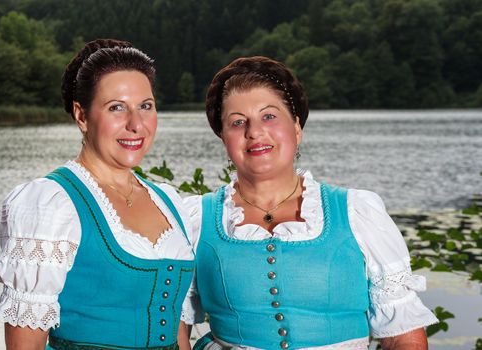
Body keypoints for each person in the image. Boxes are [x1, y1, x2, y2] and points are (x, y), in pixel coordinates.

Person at [179, 56, 438, 350]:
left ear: (297, 128)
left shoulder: (357, 212)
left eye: (269, 116)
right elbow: (176, 325)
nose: (254, 132)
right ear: (223, 138)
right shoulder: (195, 219)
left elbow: (403, 336)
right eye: (237, 122)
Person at [0, 39, 195, 350]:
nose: (136, 124)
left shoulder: (169, 202)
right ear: (82, 116)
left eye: (146, 106)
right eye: (116, 108)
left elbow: (179, 329)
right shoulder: (52, 205)